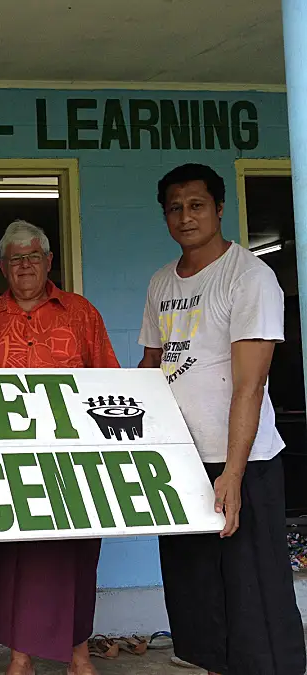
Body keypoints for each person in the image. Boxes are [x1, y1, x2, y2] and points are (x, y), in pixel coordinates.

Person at [138, 163, 306, 675]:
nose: (185, 217)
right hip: (180, 460)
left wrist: (231, 474)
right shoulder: (161, 281)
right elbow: (150, 368)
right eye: (174, 207)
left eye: (196, 205)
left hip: (242, 461)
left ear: (219, 209)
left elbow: (250, 384)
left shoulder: (249, 277)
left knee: (252, 592)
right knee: (197, 592)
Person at [0, 220, 119, 675]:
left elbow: (112, 384)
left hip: (74, 462)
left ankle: (78, 652)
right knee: (12, 561)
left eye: (33, 256)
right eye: (15, 258)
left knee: (75, 558)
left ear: (49, 262)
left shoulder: (82, 314)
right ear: (3, 267)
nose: (25, 265)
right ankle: (20, 656)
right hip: (4, 465)